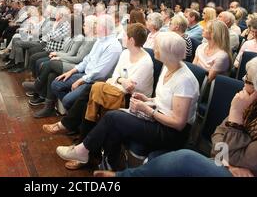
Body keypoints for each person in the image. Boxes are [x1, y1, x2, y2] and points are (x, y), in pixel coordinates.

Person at [94, 55, 257, 177]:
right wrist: (230, 162)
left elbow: (224, 151)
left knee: (185, 160)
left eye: (248, 80)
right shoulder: (255, 106)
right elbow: (219, 135)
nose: (243, 82)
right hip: (230, 165)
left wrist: (235, 114)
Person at [55, 32, 199, 170]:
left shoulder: (184, 80)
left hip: (170, 132)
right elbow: (165, 100)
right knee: (113, 122)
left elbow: (179, 124)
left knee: (113, 117)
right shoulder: (168, 68)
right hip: (158, 118)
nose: (154, 49)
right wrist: (147, 99)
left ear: (167, 53)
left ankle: (83, 151)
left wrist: (148, 110)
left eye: (157, 47)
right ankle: (109, 164)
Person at [48, 14, 122, 111]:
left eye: (97, 25)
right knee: (56, 84)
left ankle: (76, 113)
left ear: (104, 28)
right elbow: (87, 59)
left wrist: (80, 81)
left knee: (67, 100)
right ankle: (77, 112)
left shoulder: (113, 46)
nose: (95, 27)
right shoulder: (100, 40)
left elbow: (100, 73)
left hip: (95, 82)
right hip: (85, 75)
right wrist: (71, 71)